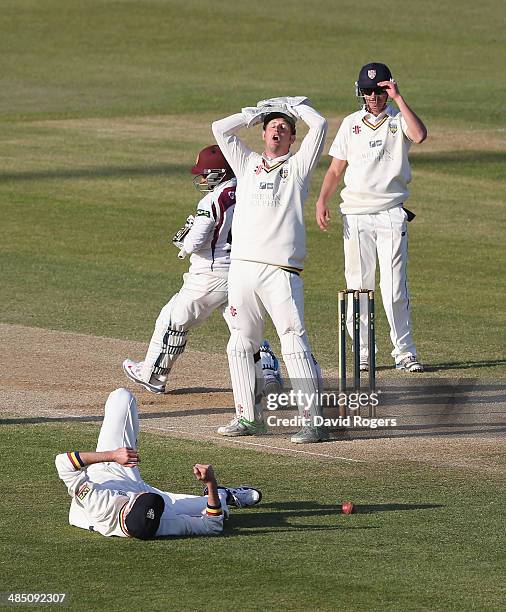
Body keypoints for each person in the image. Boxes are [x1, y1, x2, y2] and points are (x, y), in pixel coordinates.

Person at [212, 96, 328, 443]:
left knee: (292, 342)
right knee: (239, 344)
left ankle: (313, 423)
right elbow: (219, 128)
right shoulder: (246, 163)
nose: (278, 129)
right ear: (263, 134)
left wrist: (297, 104)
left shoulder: (298, 167)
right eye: (273, 126)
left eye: (285, 127)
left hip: (281, 271)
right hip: (243, 269)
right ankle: (249, 418)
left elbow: (320, 125)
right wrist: (253, 113)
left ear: (293, 138)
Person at [122, 144, 283, 395]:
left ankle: (152, 375)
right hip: (243, 271)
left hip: (209, 275)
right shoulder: (251, 189)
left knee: (173, 320)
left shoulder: (211, 200)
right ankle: (267, 374)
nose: (203, 178)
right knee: (243, 328)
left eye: (206, 173)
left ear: (219, 173)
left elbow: (196, 242)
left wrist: (183, 243)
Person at [315, 62, 427, 373]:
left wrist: (399, 98)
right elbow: (336, 169)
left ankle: (404, 352)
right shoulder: (351, 124)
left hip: (391, 213)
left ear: (388, 90)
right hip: (356, 215)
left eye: (380, 91)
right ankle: (364, 352)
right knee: (359, 286)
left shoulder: (398, 120)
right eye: (369, 92)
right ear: (360, 93)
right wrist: (322, 200)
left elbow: (419, 136)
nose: (374, 97)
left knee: (394, 289)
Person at [55, 388, 262, 539]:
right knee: (218, 509)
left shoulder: (101, 502)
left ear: (127, 508)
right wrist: (211, 484)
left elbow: (62, 462)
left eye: (140, 497)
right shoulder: (162, 523)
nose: (141, 492)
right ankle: (226, 494)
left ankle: (117, 458)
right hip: (140, 499)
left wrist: (113, 455)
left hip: (109, 475)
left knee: (121, 397)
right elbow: (213, 526)